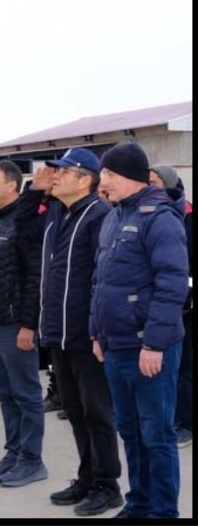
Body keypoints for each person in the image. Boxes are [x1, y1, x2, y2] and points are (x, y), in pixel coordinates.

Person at [17, 148, 122, 515]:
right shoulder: (56, 214)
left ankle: (108, 486)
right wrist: (34, 191)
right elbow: (21, 230)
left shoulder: (99, 216)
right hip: (58, 333)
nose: (56, 176)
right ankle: (87, 477)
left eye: (65, 171)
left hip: (86, 335)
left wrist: (98, 331)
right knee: (76, 413)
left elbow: (104, 279)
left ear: (86, 179)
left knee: (98, 415)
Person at [91, 141, 189, 519]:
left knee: (157, 437)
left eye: (110, 175)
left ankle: (163, 513)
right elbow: (101, 282)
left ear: (131, 177)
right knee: (130, 433)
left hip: (148, 349)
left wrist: (154, 343)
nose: (104, 183)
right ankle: (139, 503)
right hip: (115, 346)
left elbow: (172, 283)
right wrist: (97, 332)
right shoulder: (114, 216)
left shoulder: (160, 217)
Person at [0, 160, 45, 487]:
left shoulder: (25, 221)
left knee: (25, 393)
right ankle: (14, 452)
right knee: (4, 391)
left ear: (12, 186)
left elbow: (34, 279)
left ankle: (32, 460)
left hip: (15, 325)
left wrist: (28, 325)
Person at [149, 164, 193, 449]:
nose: (148, 187)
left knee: (185, 368)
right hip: (161, 306)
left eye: (153, 182)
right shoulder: (151, 215)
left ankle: (185, 423)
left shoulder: (188, 217)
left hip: (184, 308)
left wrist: (185, 301)